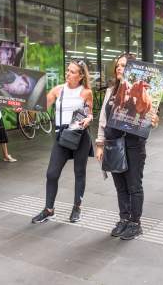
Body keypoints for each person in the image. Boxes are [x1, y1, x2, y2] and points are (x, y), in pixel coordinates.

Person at [96, 53, 159, 240]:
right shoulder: (110, 91)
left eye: (123, 65)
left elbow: (150, 116)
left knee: (134, 185)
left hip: (134, 145)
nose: (119, 68)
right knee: (120, 185)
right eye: (117, 65)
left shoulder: (141, 90)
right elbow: (103, 120)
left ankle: (135, 223)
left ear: (132, 69)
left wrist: (153, 120)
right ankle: (123, 219)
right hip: (114, 143)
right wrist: (100, 144)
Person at [32, 59, 93, 224]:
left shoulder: (86, 92)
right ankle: (49, 210)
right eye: (67, 70)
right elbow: (40, 106)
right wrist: (24, 106)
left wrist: (88, 119)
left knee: (79, 173)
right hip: (62, 136)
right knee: (52, 174)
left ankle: (77, 207)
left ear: (80, 76)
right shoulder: (58, 90)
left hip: (80, 136)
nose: (68, 74)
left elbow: (89, 113)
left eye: (72, 72)